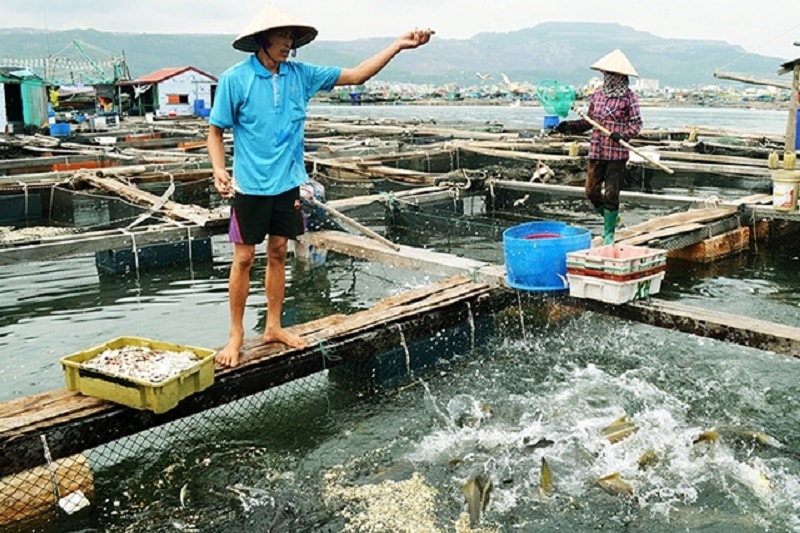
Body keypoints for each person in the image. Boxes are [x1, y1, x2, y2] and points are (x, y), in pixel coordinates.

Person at [207, 4, 432, 367]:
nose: (289, 43)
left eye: (292, 38)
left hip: (287, 183)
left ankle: (274, 327)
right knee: (245, 258)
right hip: (249, 185)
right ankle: (236, 335)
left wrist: (397, 45)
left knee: (279, 251)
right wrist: (219, 169)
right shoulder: (236, 79)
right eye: (282, 36)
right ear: (262, 40)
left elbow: (357, 76)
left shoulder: (302, 75)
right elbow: (215, 131)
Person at [554, 49, 642, 245]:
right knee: (591, 191)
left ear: (620, 76)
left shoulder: (629, 97)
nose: (607, 77)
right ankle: (613, 219)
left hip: (617, 153)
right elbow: (590, 121)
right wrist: (570, 127)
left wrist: (623, 134)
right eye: (605, 74)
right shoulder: (598, 95)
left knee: (611, 193)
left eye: (611, 74)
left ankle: (609, 233)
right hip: (597, 150)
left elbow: (637, 124)